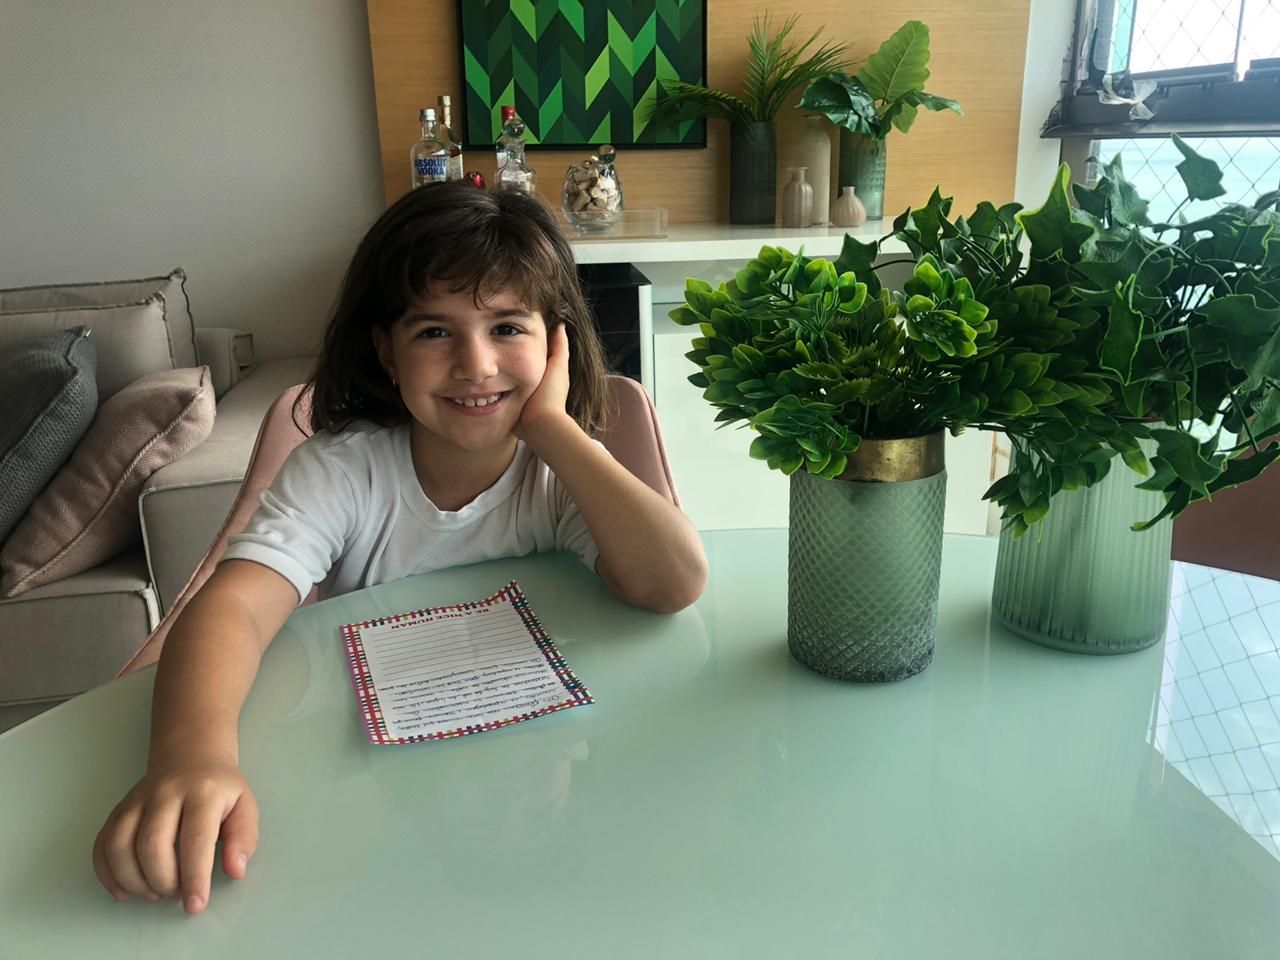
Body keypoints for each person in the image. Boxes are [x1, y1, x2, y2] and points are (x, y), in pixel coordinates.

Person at [91, 183, 708, 916]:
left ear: (556, 344)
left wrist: (552, 427)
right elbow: (234, 609)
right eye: (435, 331)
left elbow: (674, 583)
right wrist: (190, 757)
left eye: (508, 327)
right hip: (386, 739)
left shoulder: (559, 472)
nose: (477, 364)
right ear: (386, 350)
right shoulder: (341, 472)